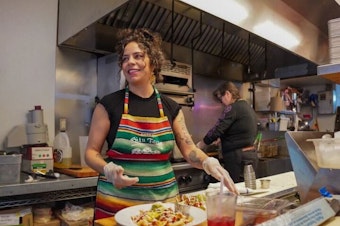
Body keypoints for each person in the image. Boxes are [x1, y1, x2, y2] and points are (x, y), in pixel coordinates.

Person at [85, 28, 238, 220]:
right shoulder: (108, 105)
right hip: (117, 208)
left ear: (153, 62)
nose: (130, 62)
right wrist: (107, 169)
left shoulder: (170, 107)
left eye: (138, 56)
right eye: (125, 58)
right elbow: (91, 153)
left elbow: (189, 149)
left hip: (163, 210)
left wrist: (207, 161)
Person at [196, 81, 258, 183]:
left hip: (237, 157)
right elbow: (242, 130)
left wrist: (201, 144)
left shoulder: (232, 108)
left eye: (221, 99)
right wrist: (223, 138)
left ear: (228, 94)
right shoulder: (247, 107)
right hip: (250, 155)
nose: (222, 103)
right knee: (246, 189)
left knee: (235, 190)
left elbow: (217, 129)